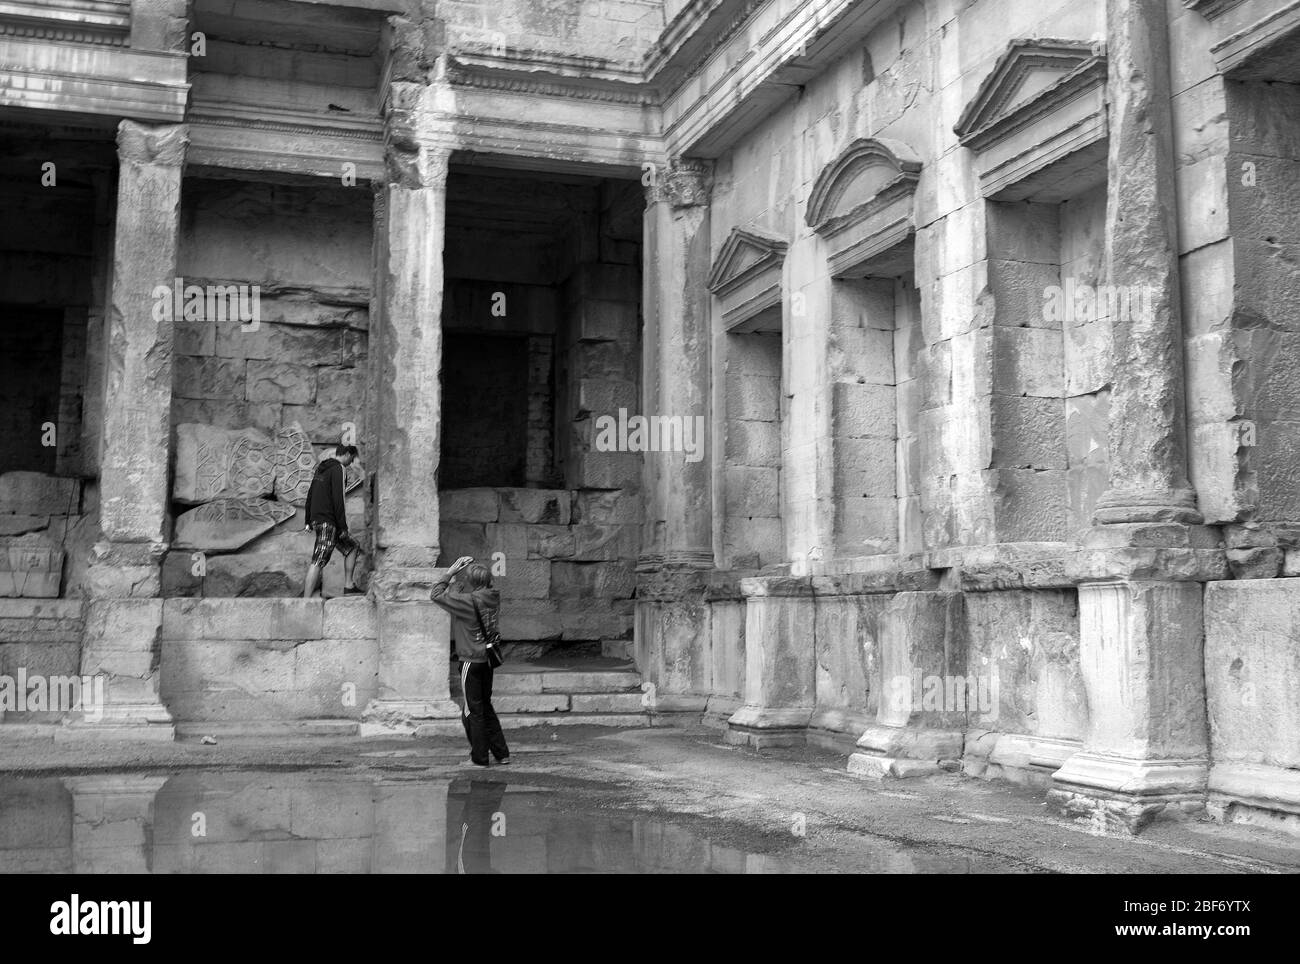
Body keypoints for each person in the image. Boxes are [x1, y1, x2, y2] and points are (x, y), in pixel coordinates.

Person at [431, 556, 510, 768]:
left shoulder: (467, 602)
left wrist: (451, 574)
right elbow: (458, 596)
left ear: (472, 583)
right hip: (487, 660)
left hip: (470, 660)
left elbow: (436, 595)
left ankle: (479, 758)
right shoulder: (493, 597)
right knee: (485, 706)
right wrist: (460, 583)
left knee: (472, 712)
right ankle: (502, 754)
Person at [302, 444, 361, 599]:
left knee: (352, 547)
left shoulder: (322, 468)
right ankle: (305, 602)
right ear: (348, 454)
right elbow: (339, 499)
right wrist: (343, 527)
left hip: (318, 520)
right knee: (318, 560)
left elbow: (310, 494)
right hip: (329, 522)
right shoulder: (339, 469)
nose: (352, 463)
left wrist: (308, 520)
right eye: (353, 459)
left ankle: (349, 586)